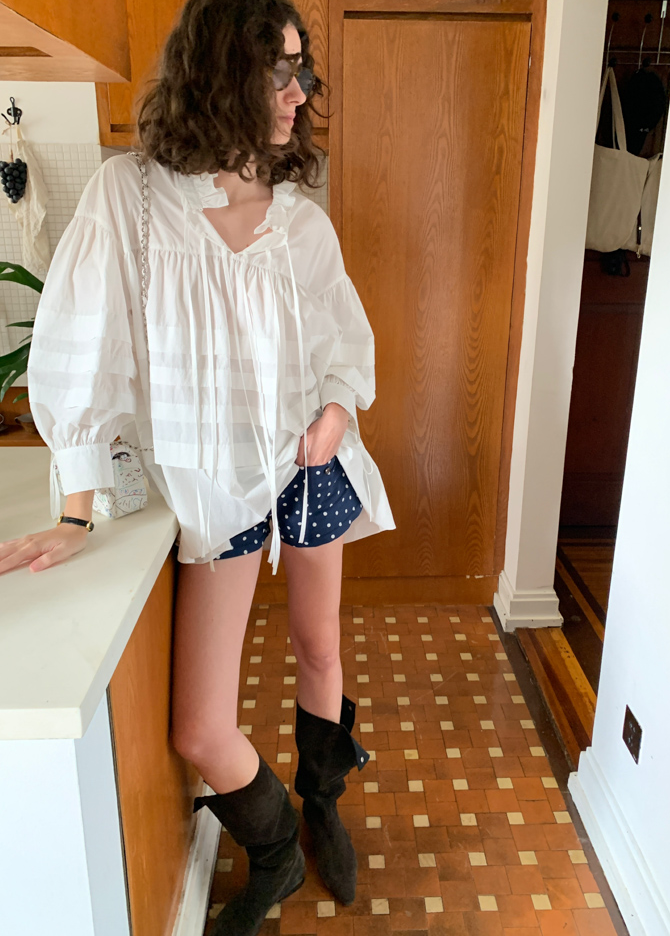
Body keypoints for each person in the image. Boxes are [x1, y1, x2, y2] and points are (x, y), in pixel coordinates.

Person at [0, 1, 395, 934]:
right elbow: (81, 346)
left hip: (309, 464)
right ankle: (275, 852)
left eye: (302, 71)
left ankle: (323, 803)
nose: (298, 93)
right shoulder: (132, 198)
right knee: (199, 726)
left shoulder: (300, 223)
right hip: (215, 485)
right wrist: (77, 509)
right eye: (279, 71)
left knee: (320, 647)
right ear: (222, 71)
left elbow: (344, 346)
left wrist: (338, 411)